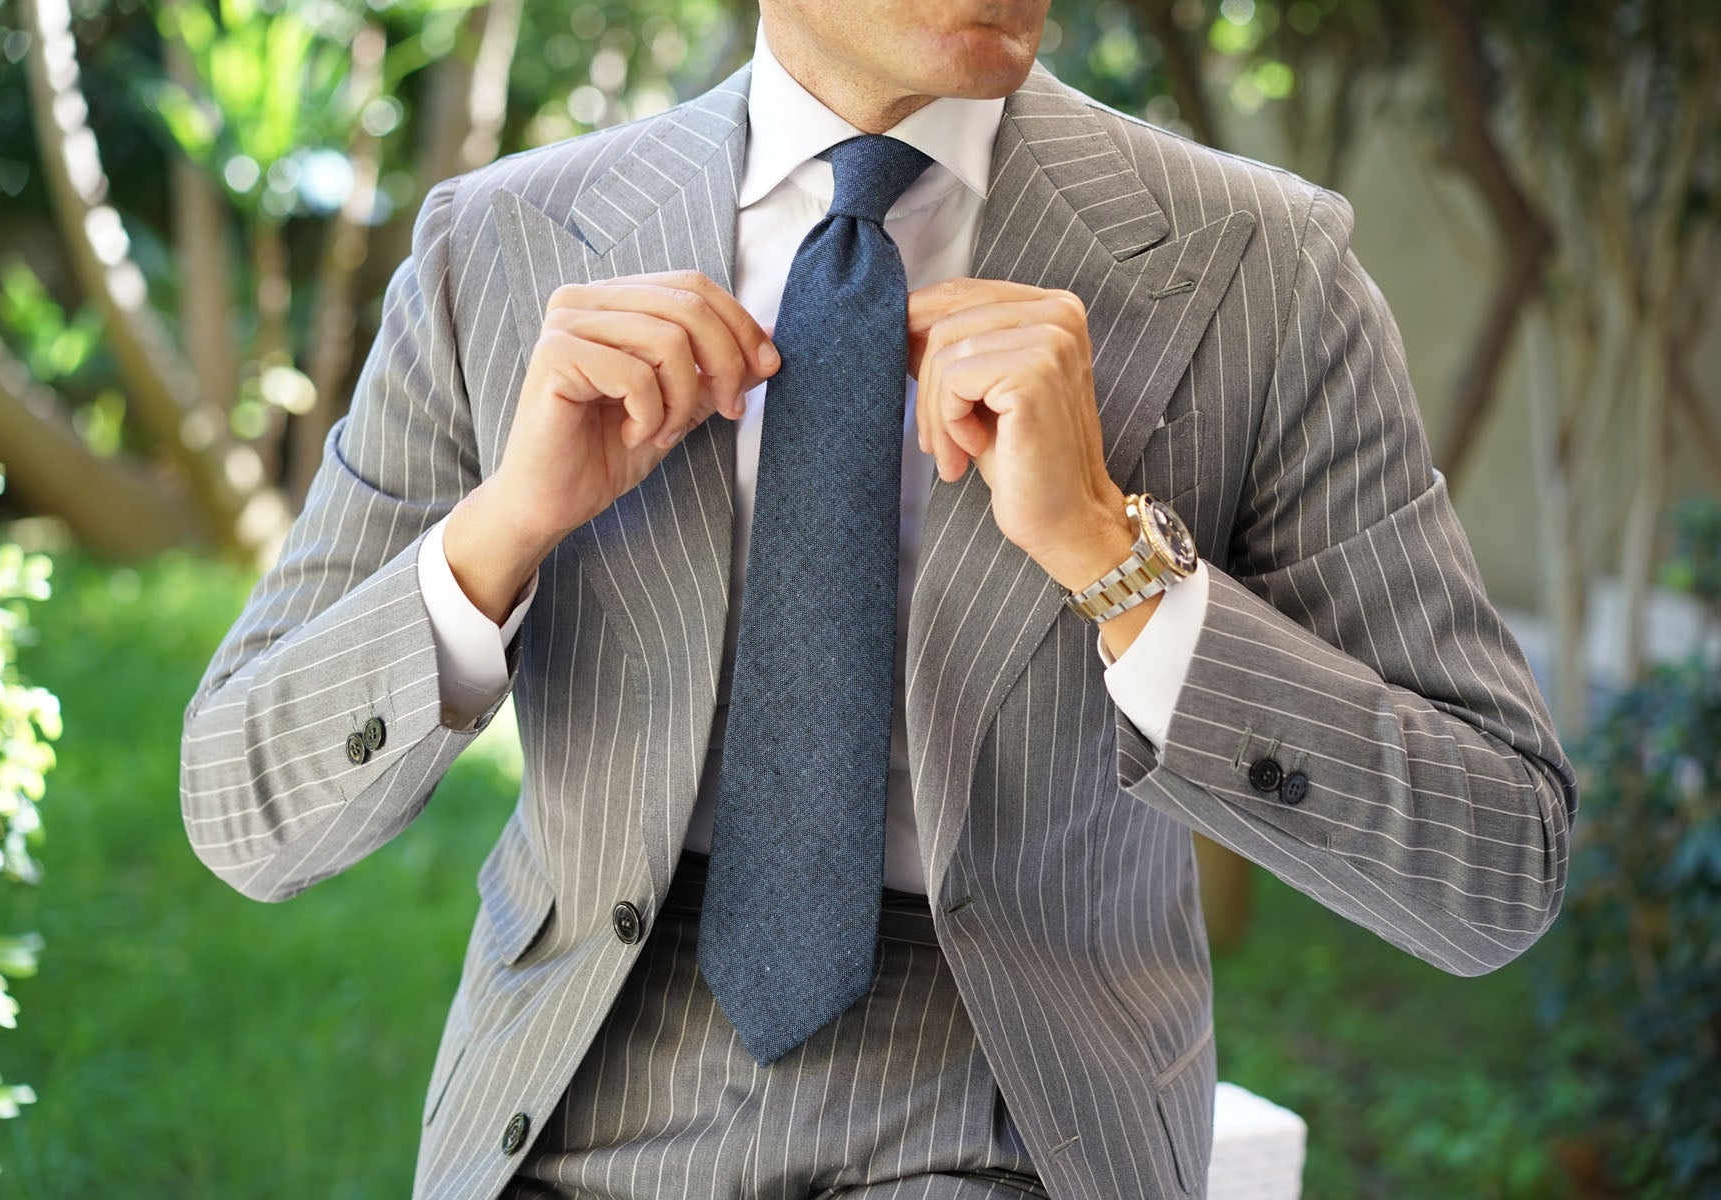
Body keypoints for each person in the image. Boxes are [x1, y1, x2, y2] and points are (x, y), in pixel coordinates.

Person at [180, 1, 1578, 1197]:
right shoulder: (501, 247)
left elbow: (1495, 866)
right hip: (576, 1089)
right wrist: (504, 530)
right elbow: (247, 809)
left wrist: (1119, 564)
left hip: (1016, 1105)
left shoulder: (1262, 275)